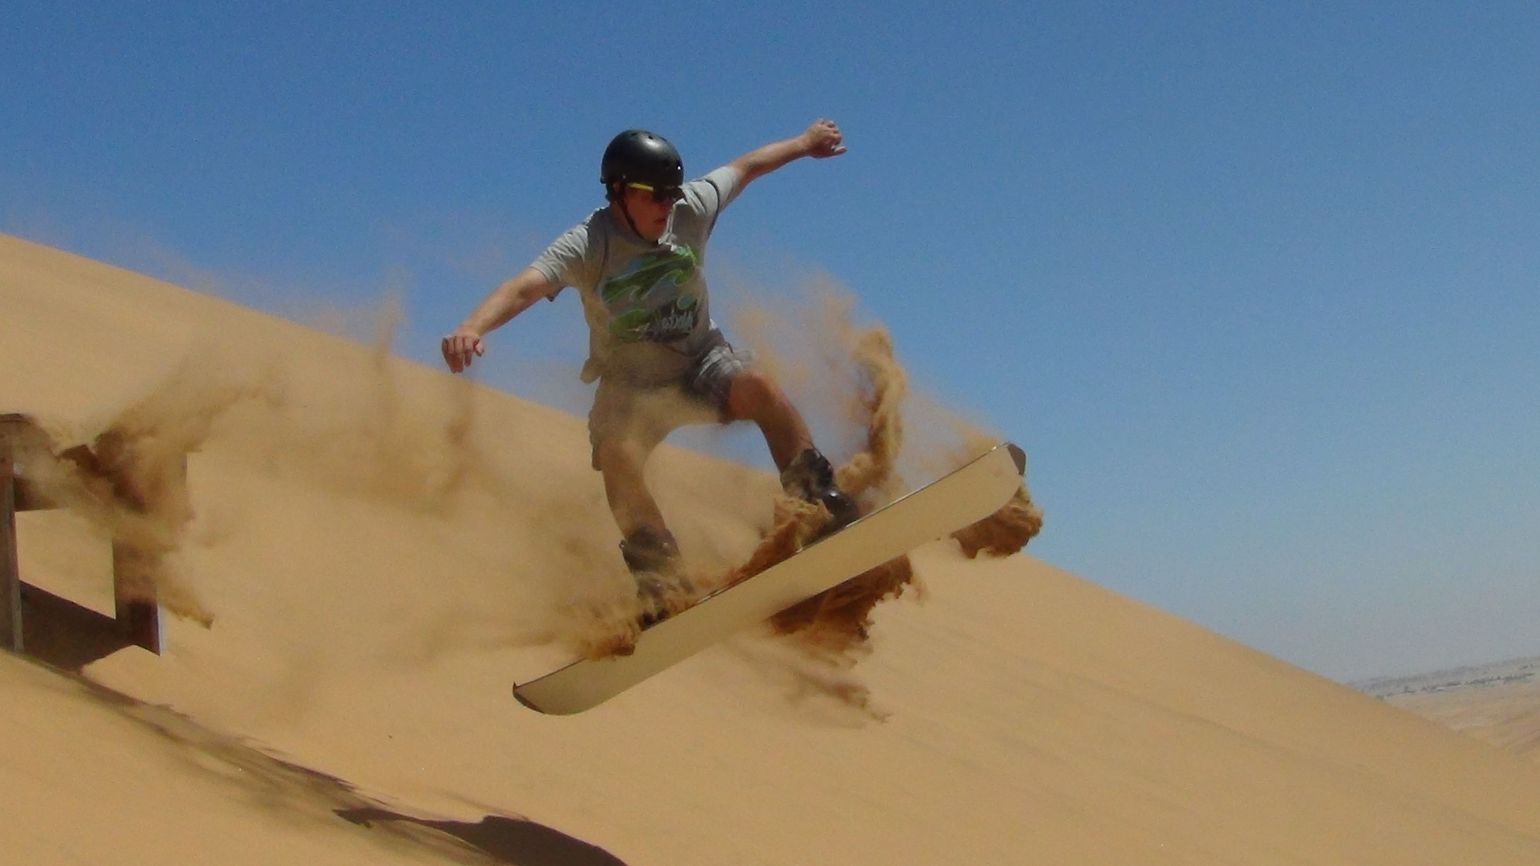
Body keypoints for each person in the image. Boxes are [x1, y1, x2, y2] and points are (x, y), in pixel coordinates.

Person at [442, 119, 859, 611]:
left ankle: (818, 502)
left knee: (758, 386)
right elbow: (523, 286)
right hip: (630, 385)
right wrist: (473, 326)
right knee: (618, 456)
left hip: (700, 359)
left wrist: (806, 144)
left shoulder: (690, 207)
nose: (667, 204)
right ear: (619, 192)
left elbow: (747, 167)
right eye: (653, 195)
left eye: (671, 193)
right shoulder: (588, 244)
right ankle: (662, 576)